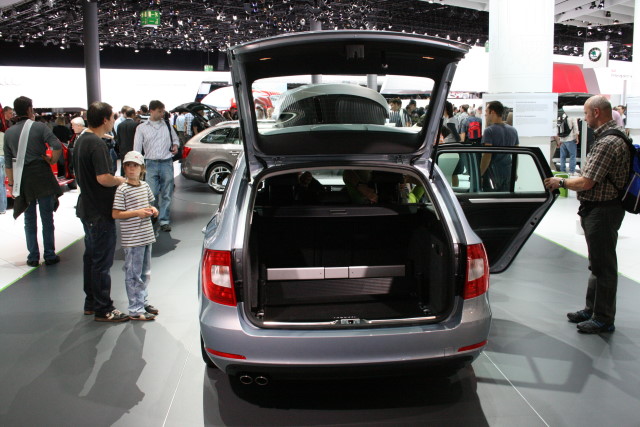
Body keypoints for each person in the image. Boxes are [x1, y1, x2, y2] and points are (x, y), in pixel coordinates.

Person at [544, 95, 630, 334]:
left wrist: (560, 181)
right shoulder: (612, 136)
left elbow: (587, 182)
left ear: (596, 113)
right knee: (597, 264)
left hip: (603, 211)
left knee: (603, 266)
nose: (584, 118)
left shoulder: (607, 142)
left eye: (585, 113)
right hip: (601, 209)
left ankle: (603, 318)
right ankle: (593, 310)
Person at [73, 101, 129, 322]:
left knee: (91, 258)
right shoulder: (96, 144)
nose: (114, 121)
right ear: (105, 119)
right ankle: (103, 308)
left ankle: (91, 303)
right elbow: (103, 178)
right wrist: (120, 180)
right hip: (99, 211)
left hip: (87, 208)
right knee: (101, 263)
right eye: (112, 117)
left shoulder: (81, 140)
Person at [3, 96, 62, 266]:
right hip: (42, 176)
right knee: (47, 218)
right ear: (30, 109)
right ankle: (49, 255)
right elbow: (57, 145)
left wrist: (12, 184)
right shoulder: (39, 127)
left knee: (29, 220)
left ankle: (33, 257)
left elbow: (8, 162)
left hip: (23, 179)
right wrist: (52, 160)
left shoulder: (9, 133)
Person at [112, 151, 159, 321]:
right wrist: (137, 213)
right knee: (133, 274)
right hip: (133, 239)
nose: (132, 169)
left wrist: (153, 209)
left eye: (135, 165)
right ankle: (135, 309)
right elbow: (116, 213)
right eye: (128, 166)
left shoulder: (145, 186)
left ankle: (142, 302)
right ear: (124, 168)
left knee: (145, 273)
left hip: (146, 236)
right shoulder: (122, 189)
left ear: (142, 168)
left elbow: (149, 204)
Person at [133, 100, 179, 232]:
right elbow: (137, 148)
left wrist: (175, 146)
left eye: (163, 111)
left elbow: (175, 139)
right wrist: (137, 166)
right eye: (159, 111)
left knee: (167, 193)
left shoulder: (167, 125)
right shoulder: (141, 128)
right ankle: (153, 214)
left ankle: (164, 220)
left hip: (166, 162)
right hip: (150, 163)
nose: (162, 113)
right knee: (151, 193)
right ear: (151, 111)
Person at [480, 100, 519, 191]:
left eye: (486, 111)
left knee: (491, 197)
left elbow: (487, 155)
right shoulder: (513, 130)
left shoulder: (489, 131)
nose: (485, 114)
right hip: (508, 171)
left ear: (492, 112)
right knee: (506, 197)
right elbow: (516, 154)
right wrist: (514, 171)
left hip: (493, 173)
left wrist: (480, 174)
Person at [115, 107, 139, 176]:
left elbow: (118, 139)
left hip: (123, 150)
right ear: (133, 114)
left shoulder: (120, 125)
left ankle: (123, 179)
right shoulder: (136, 125)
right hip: (133, 149)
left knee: (124, 166)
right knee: (134, 167)